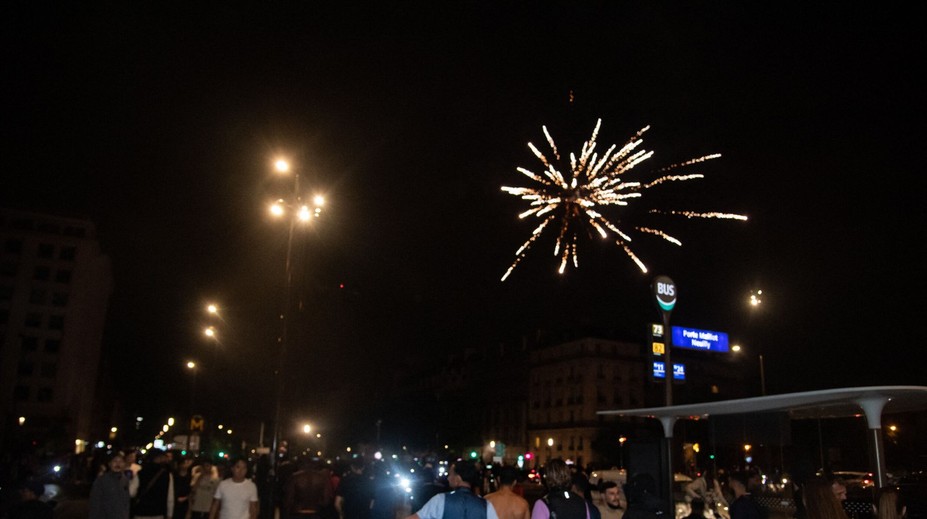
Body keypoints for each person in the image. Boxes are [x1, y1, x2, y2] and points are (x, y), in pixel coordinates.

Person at [406, 459, 498, 519]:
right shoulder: (485, 505)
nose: (448, 478)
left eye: (450, 474)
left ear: (458, 478)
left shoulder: (441, 500)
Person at [134, 450, 176, 519]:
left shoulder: (140, 473)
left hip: (141, 511)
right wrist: (170, 514)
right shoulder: (167, 475)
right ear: (159, 458)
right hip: (158, 512)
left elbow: (132, 492)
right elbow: (170, 497)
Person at [89, 452, 130, 519]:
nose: (118, 464)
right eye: (115, 461)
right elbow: (95, 502)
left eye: (121, 462)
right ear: (109, 464)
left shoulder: (125, 480)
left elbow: (126, 503)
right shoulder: (102, 480)